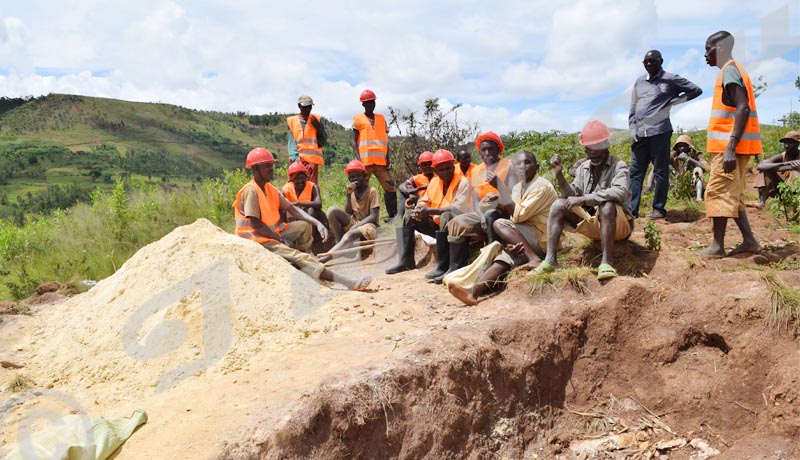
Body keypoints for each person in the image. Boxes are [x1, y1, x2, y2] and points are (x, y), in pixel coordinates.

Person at [233, 147, 370, 290]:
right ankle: (347, 282)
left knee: (304, 226)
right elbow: (256, 224)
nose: (271, 169)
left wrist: (317, 223)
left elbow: (294, 210)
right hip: (257, 239)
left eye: (271, 165)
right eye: (267, 166)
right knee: (297, 256)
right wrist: (280, 240)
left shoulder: (269, 188)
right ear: (255, 169)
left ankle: (306, 260)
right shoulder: (251, 190)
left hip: (271, 234)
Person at [448, 151, 557, 306]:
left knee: (499, 223)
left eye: (527, 162)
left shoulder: (541, 186)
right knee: (506, 256)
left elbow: (518, 216)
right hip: (526, 234)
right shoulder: (516, 187)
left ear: (537, 167)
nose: (522, 167)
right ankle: (473, 293)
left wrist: (499, 186)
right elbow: (513, 217)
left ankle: (534, 259)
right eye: (518, 163)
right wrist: (513, 242)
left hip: (544, 235)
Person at [534, 120, 633, 280]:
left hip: (619, 227)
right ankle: (550, 260)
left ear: (606, 145)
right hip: (593, 224)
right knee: (559, 204)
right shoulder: (584, 168)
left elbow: (620, 192)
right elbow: (572, 193)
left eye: (596, 147)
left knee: (607, 205)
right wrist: (559, 174)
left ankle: (607, 261)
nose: (592, 152)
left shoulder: (619, 166)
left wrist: (584, 199)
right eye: (588, 148)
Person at [698, 31, 762, 258]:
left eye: (708, 49)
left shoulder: (729, 71)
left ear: (721, 48)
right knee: (733, 195)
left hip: (730, 148)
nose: (705, 54)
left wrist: (730, 147)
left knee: (717, 192)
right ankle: (750, 242)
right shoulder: (734, 70)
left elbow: (742, 107)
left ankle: (717, 246)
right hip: (737, 148)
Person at [629, 50, 702, 219]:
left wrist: (674, 101)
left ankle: (658, 209)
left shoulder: (670, 79)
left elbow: (695, 90)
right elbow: (633, 108)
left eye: (652, 61)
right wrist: (632, 130)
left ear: (660, 61)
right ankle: (631, 210)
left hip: (659, 131)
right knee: (635, 172)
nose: (649, 64)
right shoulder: (639, 81)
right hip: (640, 134)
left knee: (661, 171)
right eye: (646, 61)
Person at [438, 132, 517, 283]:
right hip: (482, 211)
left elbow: (514, 194)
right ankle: (455, 268)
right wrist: (480, 215)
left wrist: (498, 188)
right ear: (479, 152)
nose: (487, 153)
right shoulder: (477, 170)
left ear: (498, 149)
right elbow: (475, 196)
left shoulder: (508, 166)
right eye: (484, 150)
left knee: (490, 215)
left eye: (491, 149)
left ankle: (490, 268)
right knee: (455, 223)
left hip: (503, 211)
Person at [385, 149, 472, 275]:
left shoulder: (463, 182)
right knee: (409, 216)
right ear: (435, 171)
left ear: (453, 166)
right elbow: (424, 200)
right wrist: (419, 209)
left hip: (456, 227)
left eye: (448, 168)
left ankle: (443, 265)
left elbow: (457, 208)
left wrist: (429, 211)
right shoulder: (434, 182)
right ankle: (406, 261)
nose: (446, 172)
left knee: (446, 215)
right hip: (437, 227)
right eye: (441, 170)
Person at [320, 160, 380, 263]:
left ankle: (324, 259)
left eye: (358, 176)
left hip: (369, 225)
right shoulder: (352, 191)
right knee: (331, 210)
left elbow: (373, 216)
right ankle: (340, 245)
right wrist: (348, 195)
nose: (355, 179)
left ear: (364, 176)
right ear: (349, 179)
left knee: (350, 234)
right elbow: (348, 212)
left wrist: (355, 226)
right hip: (355, 222)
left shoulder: (372, 191)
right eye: (352, 177)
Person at [351, 89, 397, 222]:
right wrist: (358, 160)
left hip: (381, 162)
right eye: (367, 103)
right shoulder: (358, 119)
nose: (370, 104)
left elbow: (385, 142)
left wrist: (388, 160)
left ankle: (393, 216)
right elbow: (353, 141)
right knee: (361, 187)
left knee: (390, 186)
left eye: (372, 102)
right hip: (365, 162)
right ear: (363, 105)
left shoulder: (382, 119)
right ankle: (361, 216)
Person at [281, 161, 329, 251]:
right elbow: (280, 204)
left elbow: (318, 203)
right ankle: (294, 242)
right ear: (291, 179)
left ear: (306, 177)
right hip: (294, 218)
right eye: (297, 179)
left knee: (311, 210)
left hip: (311, 217)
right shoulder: (286, 189)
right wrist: (292, 207)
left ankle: (311, 242)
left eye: (302, 178)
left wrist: (298, 203)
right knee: (288, 212)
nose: (300, 181)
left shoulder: (312, 186)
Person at [753, 130, 800, 208]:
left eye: (790, 143)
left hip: (796, 190)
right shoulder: (782, 156)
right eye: (785, 143)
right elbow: (760, 166)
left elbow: (796, 167)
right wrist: (784, 163)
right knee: (765, 171)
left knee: (795, 173)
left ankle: (795, 204)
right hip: (781, 189)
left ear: (797, 143)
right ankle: (761, 202)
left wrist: (775, 167)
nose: (786, 146)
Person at [287, 95, 326, 184]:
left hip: (312, 163)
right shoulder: (292, 121)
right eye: (304, 107)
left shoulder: (317, 120)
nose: (307, 109)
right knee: (294, 188)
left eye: (309, 106)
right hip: (296, 161)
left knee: (311, 189)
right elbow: (291, 143)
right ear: (299, 106)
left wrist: (318, 128)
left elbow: (322, 142)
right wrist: (297, 161)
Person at [671, 135, 709, 201]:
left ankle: (698, 197)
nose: (682, 148)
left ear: (689, 146)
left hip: (693, 183)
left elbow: (707, 168)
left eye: (684, 145)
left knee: (698, 170)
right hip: (679, 183)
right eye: (679, 146)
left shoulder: (696, 154)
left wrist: (688, 159)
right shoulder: (674, 155)